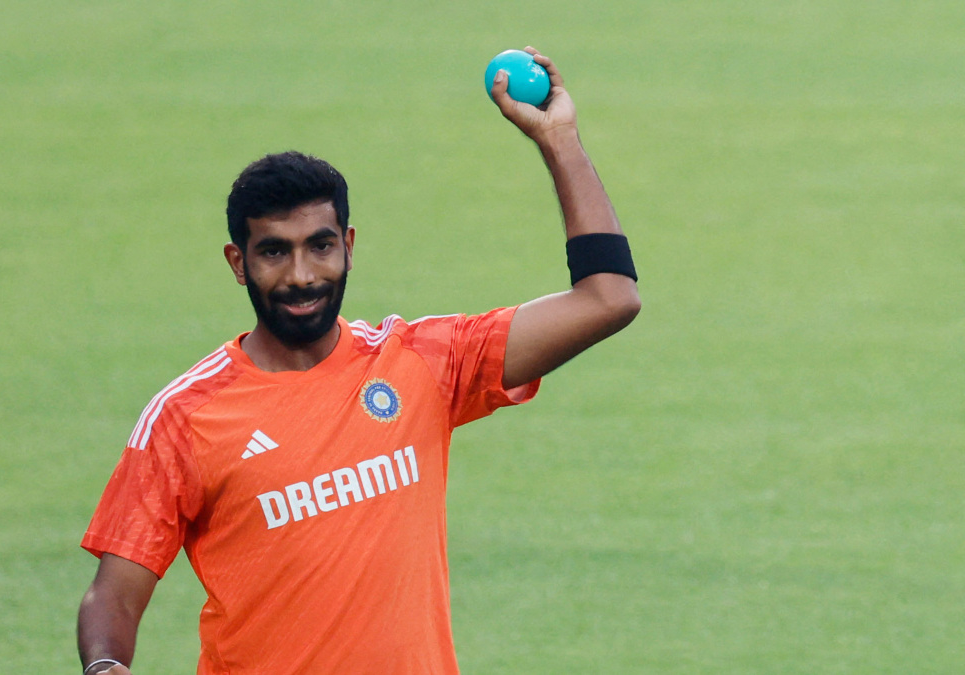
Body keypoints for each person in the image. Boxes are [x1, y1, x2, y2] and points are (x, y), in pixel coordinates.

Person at [76, 47, 640, 675]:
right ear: (238, 263)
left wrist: (559, 140)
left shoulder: (421, 362)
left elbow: (608, 297)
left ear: (347, 247)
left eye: (320, 247)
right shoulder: (186, 417)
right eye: (273, 253)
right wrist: (105, 668)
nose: (301, 275)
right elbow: (113, 596)